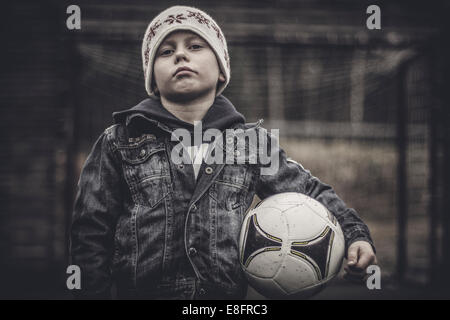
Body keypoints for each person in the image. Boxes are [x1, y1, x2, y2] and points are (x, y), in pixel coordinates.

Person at [70, 5, 377, 299]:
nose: (179, 54)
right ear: (153, 78)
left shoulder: (250, 144)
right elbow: (91, 231)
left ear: (221, 71)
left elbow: (309, 191)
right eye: (166, 51)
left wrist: (355, 234)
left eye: (194, 46)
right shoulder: (120, 140)